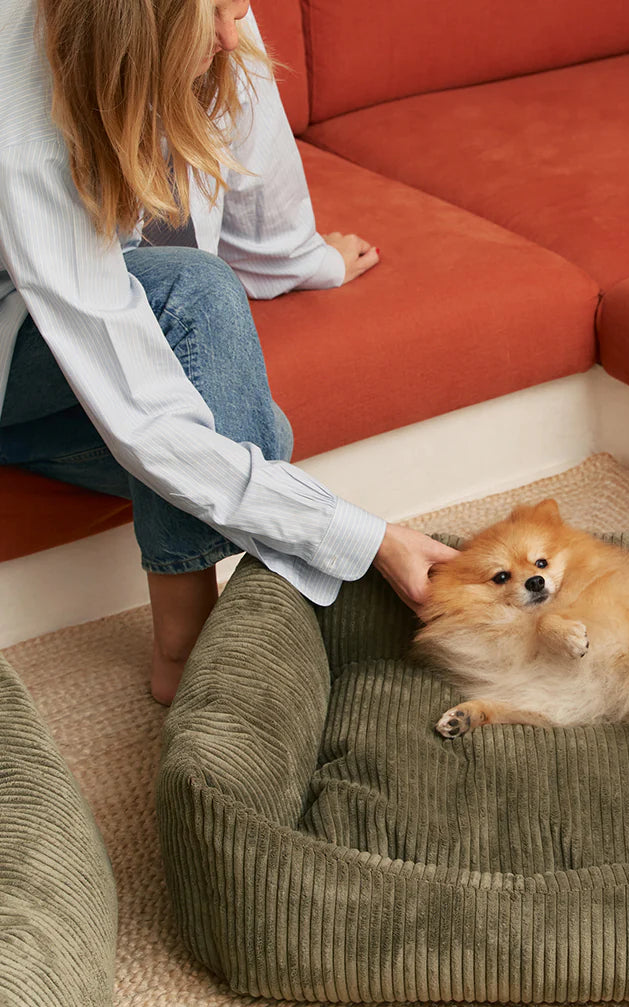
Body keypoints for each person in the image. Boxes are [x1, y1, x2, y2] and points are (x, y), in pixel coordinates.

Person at [0, 0, 457, 704]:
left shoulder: (210, 18)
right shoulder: (21, 110)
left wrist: (303, 259)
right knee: (198, 307)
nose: (231, 32)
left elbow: (251, 141)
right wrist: (365, 540)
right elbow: (145, 407)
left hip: (63, 315)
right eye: (210, 15)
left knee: (249, 430)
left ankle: (249, 635)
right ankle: (187, 656)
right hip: (18, 328)